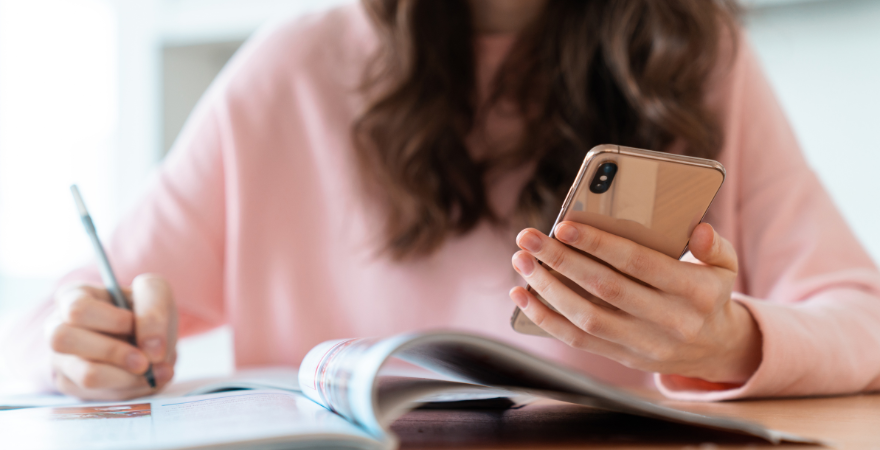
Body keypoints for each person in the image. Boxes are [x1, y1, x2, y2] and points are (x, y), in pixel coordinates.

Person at [5, 0, 880, 402]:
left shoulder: (701, 57)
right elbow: (62, 318)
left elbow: (862, 318)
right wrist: (84, 340)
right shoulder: (289, 72)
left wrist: (727, 342)